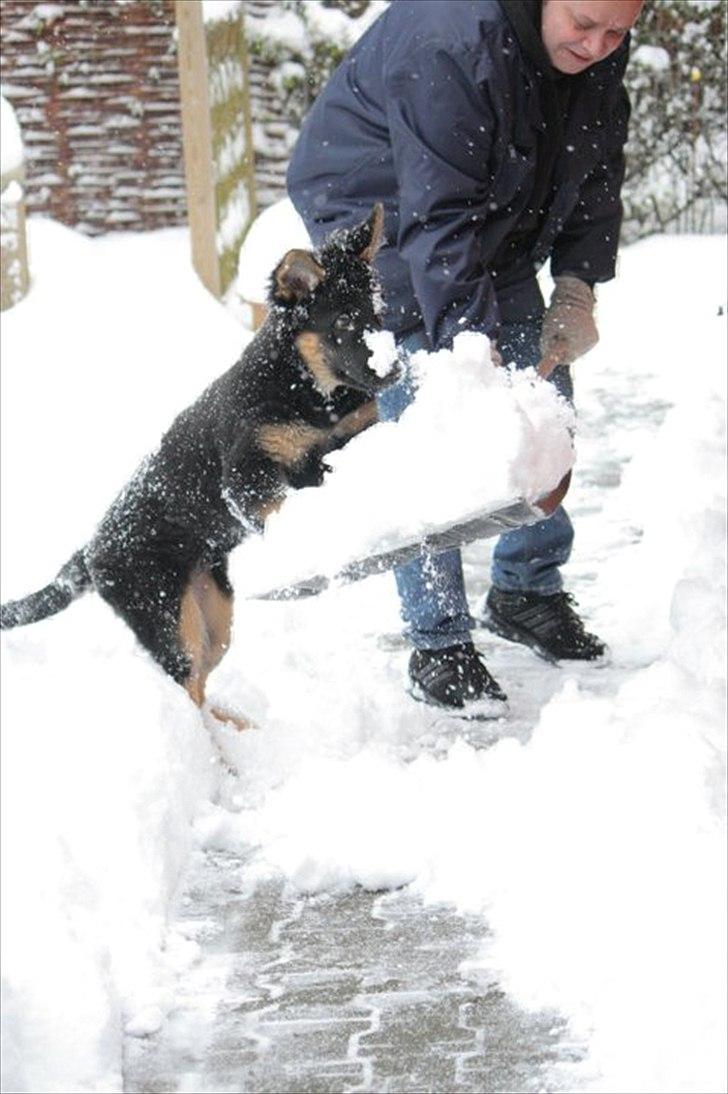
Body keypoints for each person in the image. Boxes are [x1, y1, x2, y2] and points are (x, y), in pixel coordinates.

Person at [287, 0, 644, 714]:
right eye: (585, 24)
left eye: (617, 32)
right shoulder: (449, 45)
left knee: (544, 401)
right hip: (378, 216)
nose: (599, 45)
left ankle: (524, 591)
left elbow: (593, 166)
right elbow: (435, 224)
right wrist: (469, 367)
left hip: (487, 216)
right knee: (433, 418)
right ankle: (439, 641)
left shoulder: (592, 43)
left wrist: (575, 285)